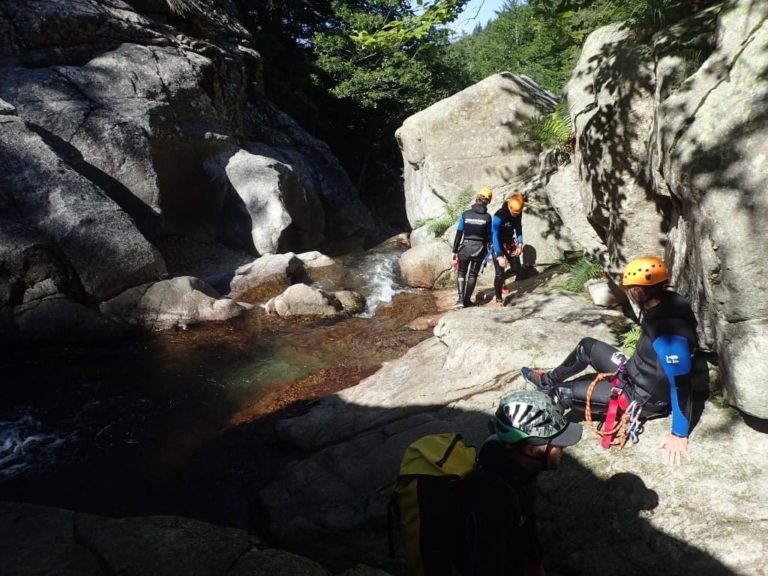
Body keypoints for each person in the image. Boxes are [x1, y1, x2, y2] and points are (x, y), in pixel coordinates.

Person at [521, 256, 698, 465]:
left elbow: (681, 385)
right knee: (587, 346)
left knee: (562, 393)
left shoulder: (669, 335)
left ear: (639, 291)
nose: (629, 294)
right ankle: (546, 380)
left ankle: (535, 443)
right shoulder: (667, 302)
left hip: (641, 397)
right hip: (632, 372)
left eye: (630, 289)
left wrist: (679, 433)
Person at [458, 389, 583, 576]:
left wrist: (537, 565)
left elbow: (527, 526)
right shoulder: (492, 499)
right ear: (532, 449)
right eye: (558, 442)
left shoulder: (520, 470)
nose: (564, 447)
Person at [452, 187, 493, 309]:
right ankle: (467, 300)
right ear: (488, 201)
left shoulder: (465, 215)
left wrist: (454, 251)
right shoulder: (487, 218)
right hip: (480, 249)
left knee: (461, 272)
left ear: (477, 198)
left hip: (465, 247)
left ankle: (460, 300)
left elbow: (459, 233)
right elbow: (490, 235)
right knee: (472, 275)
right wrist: (491, 249)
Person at [491, 193, 525, 305]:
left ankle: (502, 281)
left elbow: (518, 227)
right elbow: (494, 235)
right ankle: (499, 300)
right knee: (499, 274)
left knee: (517, 269)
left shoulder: (518, 212)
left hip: (509, 240)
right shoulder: (499, 215)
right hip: (497, 242)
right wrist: (500, 255)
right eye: (514, 213)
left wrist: (520, 243)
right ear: (509, 207)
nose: (515, 215)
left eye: (518, 213)